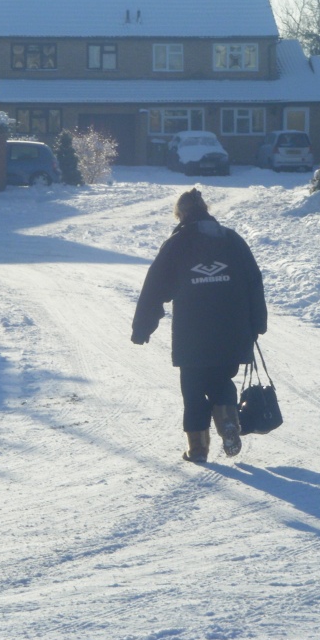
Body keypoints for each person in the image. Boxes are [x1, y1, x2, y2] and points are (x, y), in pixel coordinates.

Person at [131, 188, 267, 463]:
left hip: (192, 332)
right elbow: (254, 282)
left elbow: (155, 287)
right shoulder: (232, 240)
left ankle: (198, 449)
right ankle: (228, 421)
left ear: (180, 214)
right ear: (206, 209)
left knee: (193, 386)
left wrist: (142, 326)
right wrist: (257, 323)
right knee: (221, 379)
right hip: (232, 329)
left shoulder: (177, 244)